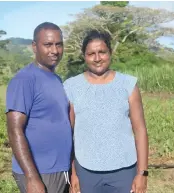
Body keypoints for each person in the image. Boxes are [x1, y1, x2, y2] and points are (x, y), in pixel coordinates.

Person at [64, 30, 149, 193]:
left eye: (102, 52)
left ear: (110, 52)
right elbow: (69, 134)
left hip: (124, 171)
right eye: (91, 54)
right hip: (86, 171)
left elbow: (140, 130)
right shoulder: (71, 87)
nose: (97, 58)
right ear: (84, 56)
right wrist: (73, 172)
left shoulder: (128, 85)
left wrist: (142, 173)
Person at [6, 22, 72, 193]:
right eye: (48, 45)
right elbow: (15, 130)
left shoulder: (56, 79)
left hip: (60, 168)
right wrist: (32, 178)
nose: (55, 50)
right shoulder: (25, 79)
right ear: (34, 47)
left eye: (59, 44)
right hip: (40, 172)